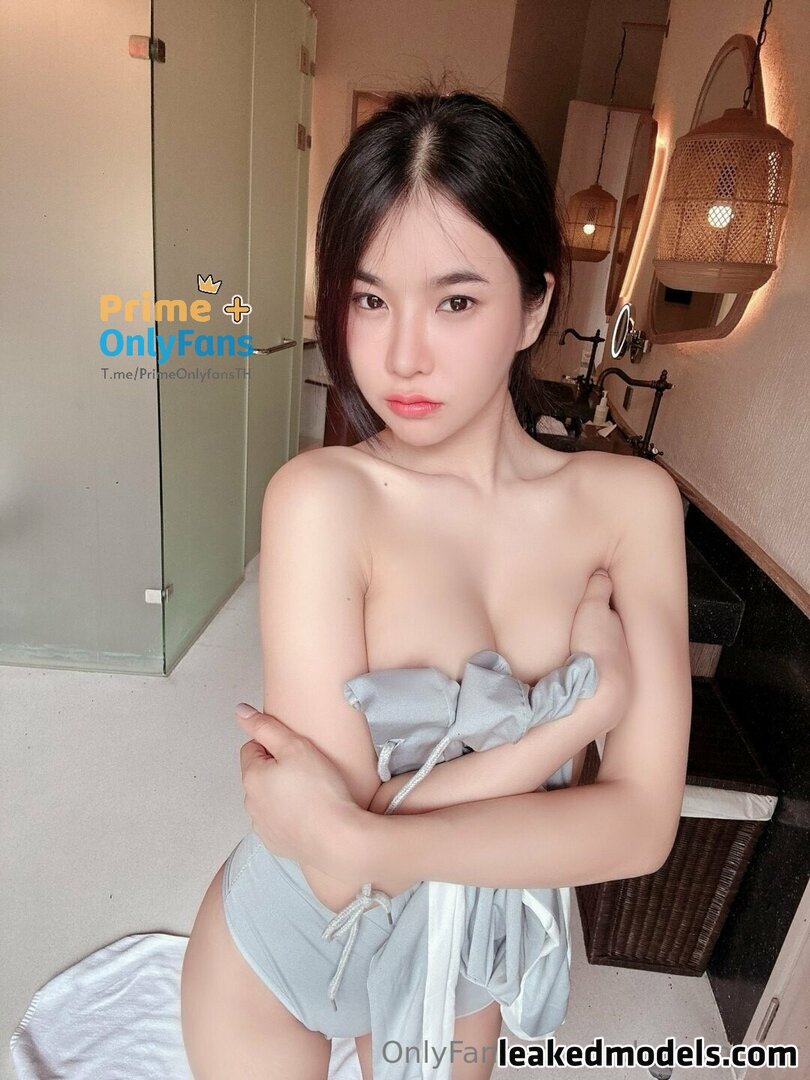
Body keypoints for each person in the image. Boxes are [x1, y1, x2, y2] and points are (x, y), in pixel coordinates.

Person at [180, 83, 692, 1080]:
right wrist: (576, 721)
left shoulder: (632, 505)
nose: (402, 355)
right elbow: (329, 859)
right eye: (370, 299)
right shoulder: (321, 499)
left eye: (456, 300)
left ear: (534, 304)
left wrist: (373, 840)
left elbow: (639, 829)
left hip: (463, 969)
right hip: (281, 952)